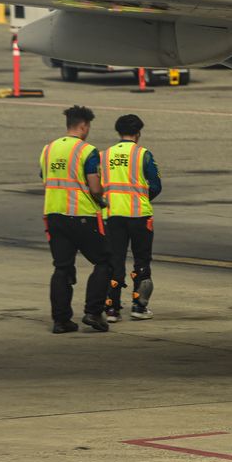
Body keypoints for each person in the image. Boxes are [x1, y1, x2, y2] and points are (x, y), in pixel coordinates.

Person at [40, 105, 111, 334]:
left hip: (54, 215)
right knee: (104, 262)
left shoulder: (48, 149)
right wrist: (102, 198)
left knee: (62, 268)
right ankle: (93, 312)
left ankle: (61, 320)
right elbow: (94, 186)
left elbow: (45, 177)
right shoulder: (87, 151)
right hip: (82, 216)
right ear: (84, 126)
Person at [101, 114, 162, 322]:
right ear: (138, 133)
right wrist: (142, 198)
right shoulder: (143, 154)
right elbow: (156, 185)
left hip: (112, 215)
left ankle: (111, 309)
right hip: (139, 215)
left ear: (119, 132)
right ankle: (139, 306)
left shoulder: (104, 155)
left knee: (114, 261)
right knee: (142, 262)